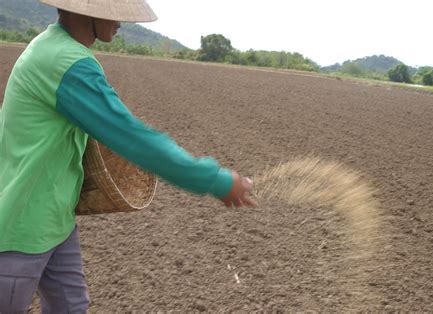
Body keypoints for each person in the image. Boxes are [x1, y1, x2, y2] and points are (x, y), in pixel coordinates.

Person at [0, 0, 256, 312]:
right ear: (84, 10)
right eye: (113, 12)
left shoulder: (49, 44)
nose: (121, 22)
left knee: (72, 305)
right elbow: (133, 139)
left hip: (54, 221)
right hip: (21, 225)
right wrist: (214, 179)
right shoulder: (68, 62)